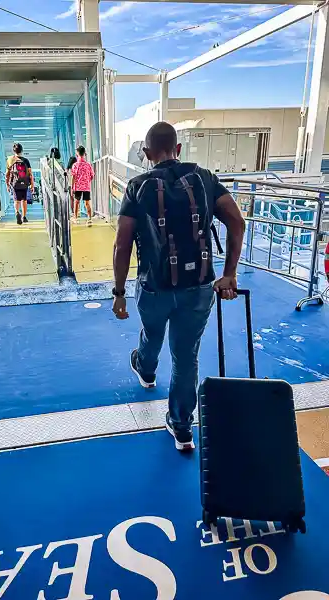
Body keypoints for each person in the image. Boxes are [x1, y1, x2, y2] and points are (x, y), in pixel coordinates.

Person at [112, 122, 245, 451]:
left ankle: (145, 368)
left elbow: (122, 244)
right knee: (187, 356)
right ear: (179, 149)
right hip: (199, 286)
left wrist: (118, 293)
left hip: (153, 287)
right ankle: (182, 427)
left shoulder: (137, 186)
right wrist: (229, 273)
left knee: (152, 333)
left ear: (146, 154)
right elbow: (236, 222)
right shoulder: (205, 178)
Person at [6, 143, 34, 225]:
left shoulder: (10, 160)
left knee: (16, 200)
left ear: (14, 151)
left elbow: (7, 174)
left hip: (15, 183)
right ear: (21, 150)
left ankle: (17, 212)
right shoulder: (25, 160)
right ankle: (24, 217)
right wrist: (32, 184)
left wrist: (7, 184)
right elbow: (30, 173)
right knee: (24, 200)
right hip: (25, 183)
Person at [71, 145, 94, 227]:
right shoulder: (88, 165)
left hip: (77, 187)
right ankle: (89, 219)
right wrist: (87, 182)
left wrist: (72, 187)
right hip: (86, 186)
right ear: (84, 153)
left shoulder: (75, 165)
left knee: (76, 202)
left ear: (77, 153)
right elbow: (92, 176)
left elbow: (73, 177)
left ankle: (75, 218)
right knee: (87, 203)